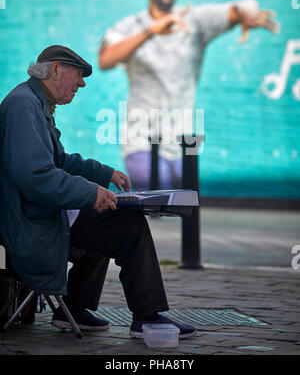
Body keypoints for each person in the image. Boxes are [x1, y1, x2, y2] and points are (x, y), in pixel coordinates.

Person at [0, 45, 196, 338]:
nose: (82, 83)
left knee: (103, 213)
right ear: (55, 70)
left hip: (34, 217)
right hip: (27, 227)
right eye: (78, 75)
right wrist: (90, 192)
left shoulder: (33, 102)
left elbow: (60, 161)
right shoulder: (24, 106)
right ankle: (147, 316)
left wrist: (103, 174)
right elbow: (36, 176)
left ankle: (74, 307)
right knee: (128, 226)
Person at [99, 0, 280, 190]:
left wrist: (247, 11)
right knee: (155, 209)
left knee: (186, 213)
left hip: (184, 143)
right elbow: (105, 59)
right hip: (142, 141)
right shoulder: (130, 26)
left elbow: (238, 7)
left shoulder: (196, 21)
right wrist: (150, 32)